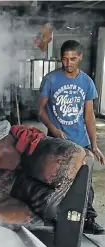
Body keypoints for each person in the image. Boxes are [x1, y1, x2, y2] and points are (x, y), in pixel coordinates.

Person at [39, 40, 105, 235]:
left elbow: (89, 116)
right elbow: (40, 110)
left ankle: (88, 219)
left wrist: (94, 145)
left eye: (73, 59)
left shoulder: (87, 82)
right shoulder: (51, 79)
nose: (68, 63)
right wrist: (53, 128)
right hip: (57, 142)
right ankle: (55, 219)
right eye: (65, 59)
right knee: (55, 182)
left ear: (80, 57)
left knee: (85, 183)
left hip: (80, 141)